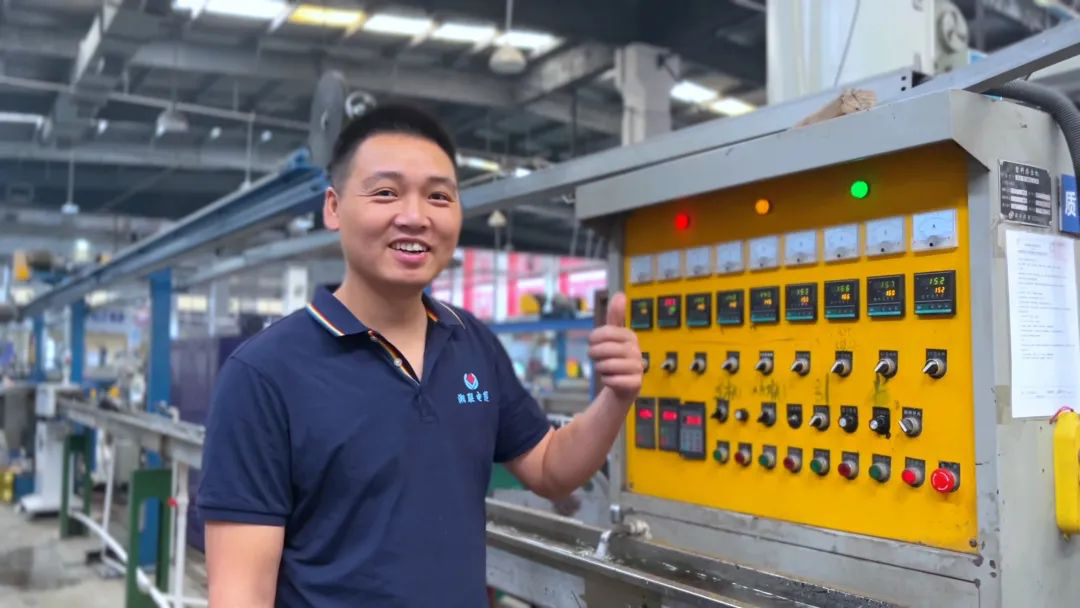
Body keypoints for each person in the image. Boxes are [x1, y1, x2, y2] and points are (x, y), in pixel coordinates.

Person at [197, 105, 643, 607]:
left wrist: (615, 398)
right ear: (333, 208)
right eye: (386, 192)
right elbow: (240, 594)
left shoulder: (471, 342)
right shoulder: (264, 374)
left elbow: (550, 468)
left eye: (438, 196)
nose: (415, 217)